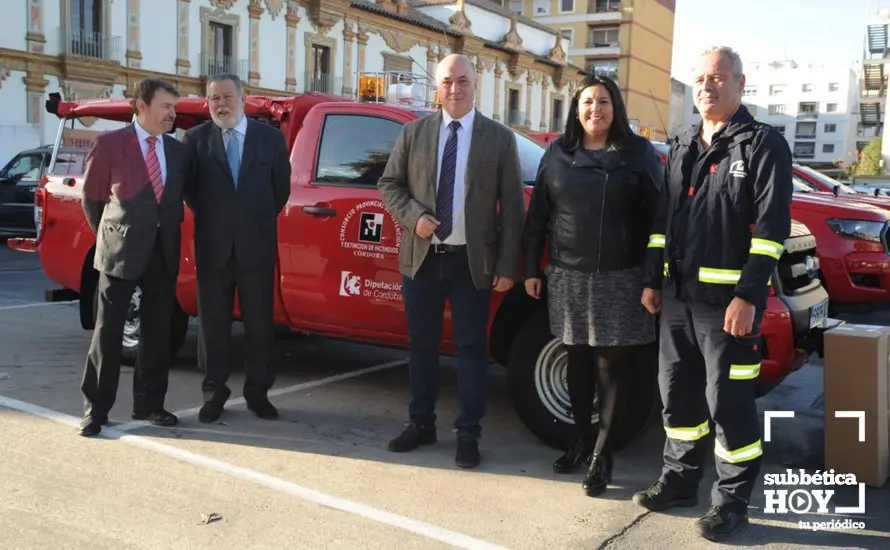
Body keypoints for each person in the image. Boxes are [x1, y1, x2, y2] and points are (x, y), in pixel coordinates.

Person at [634, 46, 792, 541]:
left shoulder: (763, 145)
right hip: (677, 299)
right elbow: (663, 223)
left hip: (729, 309)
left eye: (718, 78)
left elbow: (771, 230)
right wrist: (652, 279)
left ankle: (731, 502)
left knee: (727, 403)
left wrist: (749, 295)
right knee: (676, 395)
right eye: (701, 78)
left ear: (740, 84)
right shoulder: (682, 144)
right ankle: (679, 480)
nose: (707, 86)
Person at [377, 54, 525, 468]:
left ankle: (468, 433)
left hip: (471, 263)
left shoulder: (498, 138)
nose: (455, 89)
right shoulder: (414, 132)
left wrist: (507, 267)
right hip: (422, 259)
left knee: (471, 348)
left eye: (463, 81)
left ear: (475, 85)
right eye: (447, 82)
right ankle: (421, 424)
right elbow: (388, 184)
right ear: (437, 87)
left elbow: (513, 208)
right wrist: (414, 217)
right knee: (421, 346)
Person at [522, 75, 663, 495]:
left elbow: (661, 220)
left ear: (615, 107)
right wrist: (532, 267)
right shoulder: (558, 153)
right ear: (576, 108)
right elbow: (538, 219)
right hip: (567, 275)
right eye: (587, 102)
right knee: (577, 364)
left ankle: (603, 452)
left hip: (622, 277)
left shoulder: (639, 154)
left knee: (610, 367)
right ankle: (579, 440)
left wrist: (653, 277)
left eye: (603, 101)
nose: (595, 110)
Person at [78, 78, 186, 436]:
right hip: (119, 251)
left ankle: (150, 405)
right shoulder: (109, 144)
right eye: (166, 106)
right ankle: (96, 410)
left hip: (163, 252)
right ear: (141, 105)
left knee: (158, 334)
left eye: (174, 107)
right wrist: (111, 237)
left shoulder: (176, 151)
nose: (173, 113)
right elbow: (92, 200)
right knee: (108, 334)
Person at [182, 73, 291, 423]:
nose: (221, 104)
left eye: (227, 97)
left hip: (255, 247)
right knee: (213, 328)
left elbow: (281, 190)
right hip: (213, 248)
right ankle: (214, 393)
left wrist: (249, 220)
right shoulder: (195, 140)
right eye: (214, 98)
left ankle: (258, 393)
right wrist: (220, 221)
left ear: (243, 100)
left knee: (259, 326)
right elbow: (191, 192)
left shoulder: (270, 140)